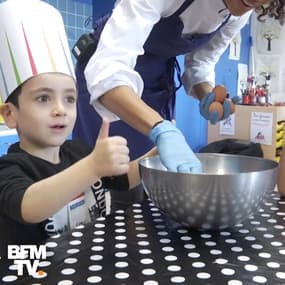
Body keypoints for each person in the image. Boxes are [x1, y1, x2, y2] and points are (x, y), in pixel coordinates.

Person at [0, 0, 156, 257]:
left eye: (69, 99)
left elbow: (123, 180)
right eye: (43, 98)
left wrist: (156, 154)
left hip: (84, 266)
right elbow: (29, 206)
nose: (60, 109)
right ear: (10, 114)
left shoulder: (79, 152)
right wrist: (92, 166)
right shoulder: (9, 169)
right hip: (30, 274)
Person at [73, 0, 285, 175]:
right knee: (104, 176)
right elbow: (108, 70)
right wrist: (161, 129)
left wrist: (207, 97)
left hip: (157, 81)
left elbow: (201, 63)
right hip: (105, 80)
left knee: (150, 174)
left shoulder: (240, 12)